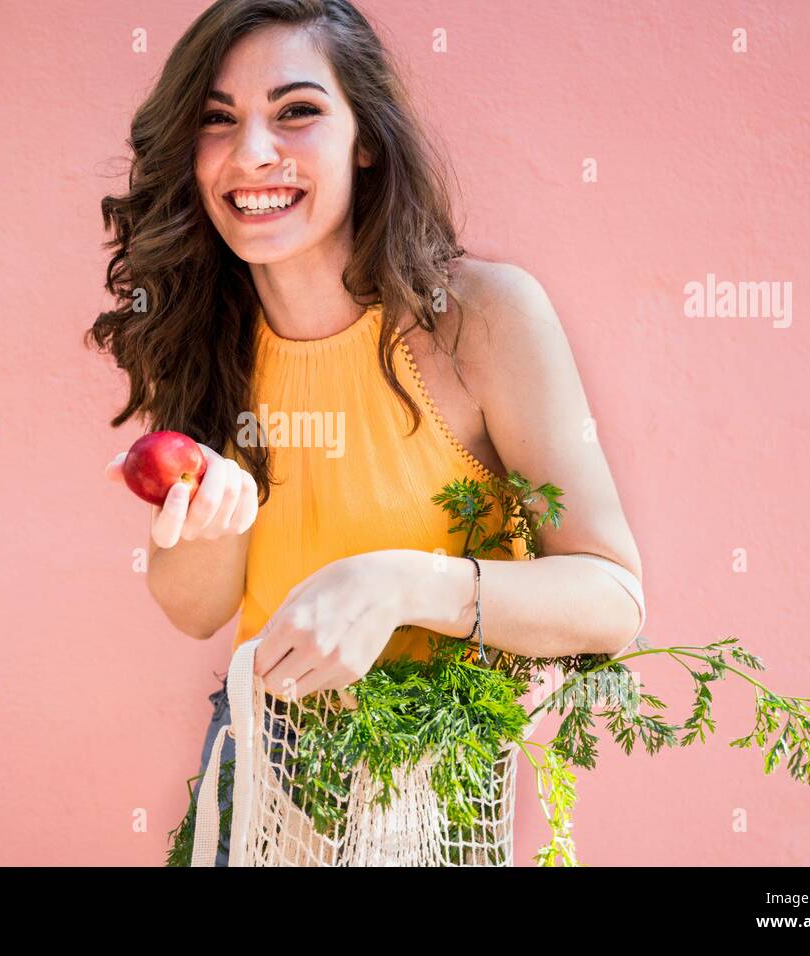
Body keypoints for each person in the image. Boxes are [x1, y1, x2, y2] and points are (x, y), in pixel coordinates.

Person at [94, 0, 645, 866]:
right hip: (262, 767)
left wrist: (406, 585)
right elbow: (195, 606)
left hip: (432, 772)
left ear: (366, 139)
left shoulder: (483, 320)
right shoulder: (209, 333)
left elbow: (613, 600)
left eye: (297, 111)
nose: (253, 155)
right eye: (218, 120)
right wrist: (217, 519)